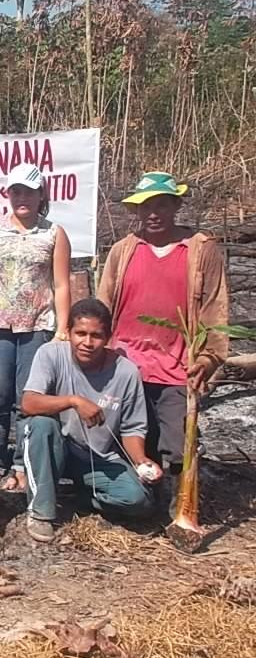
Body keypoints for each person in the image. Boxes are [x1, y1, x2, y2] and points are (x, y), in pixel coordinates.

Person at [97, 172, 228, 497]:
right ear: (136, 212)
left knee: (177, 444)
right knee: (131, 436)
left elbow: (215, 309)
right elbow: (103, 304)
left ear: (175, 206)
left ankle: (179, 508)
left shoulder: (199, 250)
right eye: (145, 207)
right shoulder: (123, 251)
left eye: (161, 205)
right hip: (126, 364)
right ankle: (138, 502)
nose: (153, 214)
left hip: (176, 366)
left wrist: (209, 359)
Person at [0, 162, 71, 492]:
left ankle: (23, 465)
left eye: (29, 192)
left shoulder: (54, 233)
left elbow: (62, 284)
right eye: (16, 191)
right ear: (8, 194)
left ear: (41, 195)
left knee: (28, 400)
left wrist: (62, 329)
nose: (22, 198)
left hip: (37, 326)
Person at [21, 298, 161, 543]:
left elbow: (132, 428)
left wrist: (141, 461)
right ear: (68, 333)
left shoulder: (126, 372)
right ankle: (40, 511)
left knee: (139, 501)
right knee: (40, 425)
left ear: (108, 337)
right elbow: (29, 403)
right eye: (80, 333)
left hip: (98, 457)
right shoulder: (50, 355)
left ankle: (79, 498)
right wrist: (73, 401)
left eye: (96, 335)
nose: (87, 343)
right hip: (58, 450)